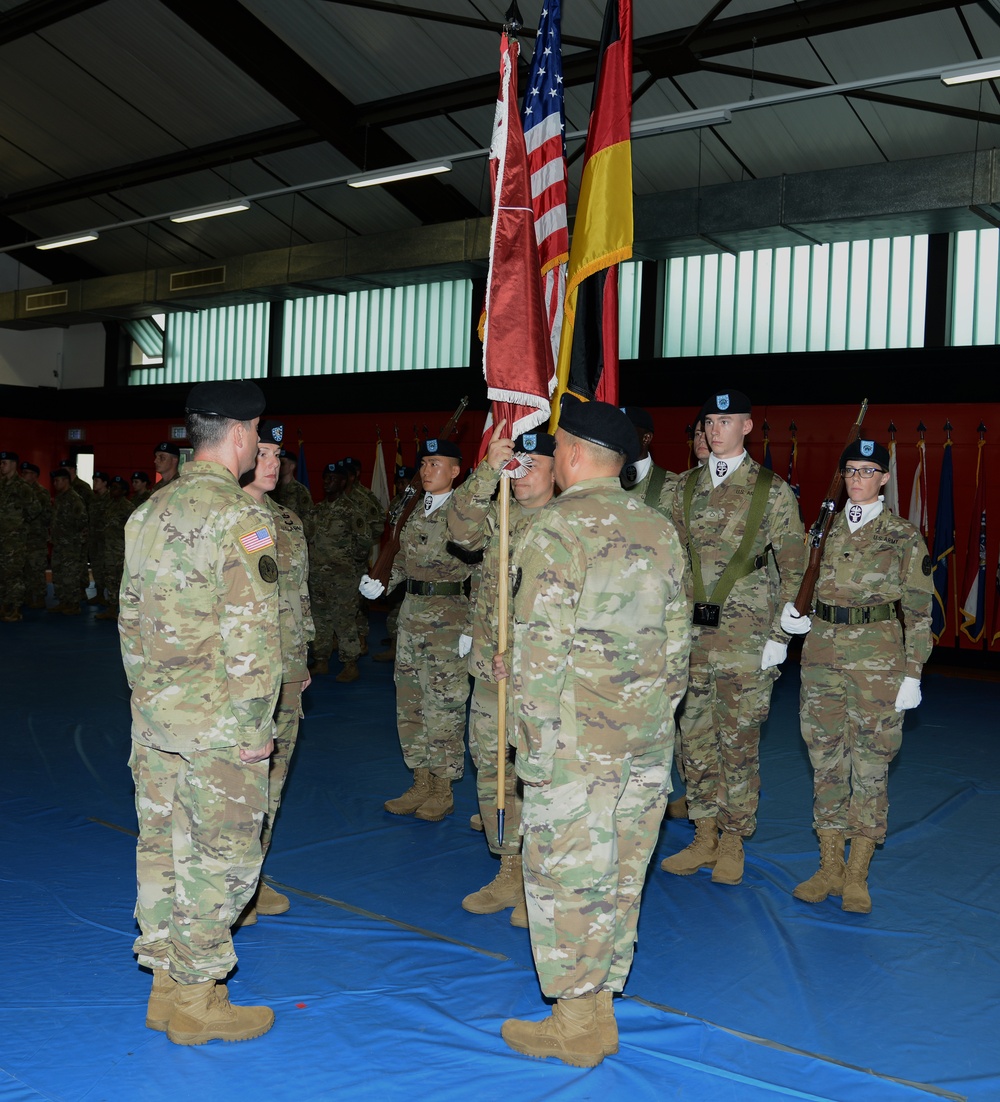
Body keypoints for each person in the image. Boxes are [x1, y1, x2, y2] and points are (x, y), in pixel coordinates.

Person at [498, 396, 691, 1067]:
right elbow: (677, 646)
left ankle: (576, 1022)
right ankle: (601, 1007)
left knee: (567, 876)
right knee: (621, 874)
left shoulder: (556, 529)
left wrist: (535, 744)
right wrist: (653, 720)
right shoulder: (659, 528)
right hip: (643, 740)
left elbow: (538, 650)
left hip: (574, 742)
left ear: (575, 453)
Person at [120, 380, 282, 1046]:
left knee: (161, 851)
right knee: (217, 859)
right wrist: (254, 730)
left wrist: (148, 702)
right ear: (241, 434)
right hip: (218, 726)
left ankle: (163, 986)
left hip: (155, 720)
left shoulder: (148, 512)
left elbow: (129, 619)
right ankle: (197, 1001)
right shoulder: (240, 519)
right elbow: (252, 635)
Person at [782, 438, 932, 913]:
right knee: (826, 760)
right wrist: (790, 618)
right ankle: (828, 866)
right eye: (850, 471)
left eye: (867, 472)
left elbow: (920, 611)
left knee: (870, 765)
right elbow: (797, 582)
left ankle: (857, 874)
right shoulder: (821, 531)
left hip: (879, 662)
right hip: (822, 654)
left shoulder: (903, 536)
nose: (857, 480)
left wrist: (914, 672)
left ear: (884, 478)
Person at [661, 390, 804, 886]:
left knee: (738, 744)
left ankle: (733, 841)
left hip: (746, 641)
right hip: (689, 638)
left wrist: (781, 636)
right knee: (694, 741)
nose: (715, 428)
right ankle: (702, 835)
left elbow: (794, 566)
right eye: (709, 421)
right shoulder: (681, 488)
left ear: (747, 426)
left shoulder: (772, 490)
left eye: (726, 420)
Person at [446, 425, 556, 926]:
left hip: (545, 680)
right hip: (492, 672)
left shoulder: (568, 522)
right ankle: (508, 866)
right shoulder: (498, 516)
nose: (523, 472)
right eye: (517, 463)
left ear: (559, 468)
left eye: (534, 464)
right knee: (492, 766)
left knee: (543, 772)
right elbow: (458, 529)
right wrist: (488, 472)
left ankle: (542, 877)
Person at [361, 437, 472, 823]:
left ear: (456, 471)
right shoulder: (410, 511)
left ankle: (443, 788)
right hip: (411, 618)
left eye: (436, 464)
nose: (426, 471)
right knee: (409, 702)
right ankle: (420, 780)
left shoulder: (467, 514)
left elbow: (488, 574)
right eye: (423, 464)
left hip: (449, 619)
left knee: (444, 705)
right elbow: (402, 562)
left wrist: (473, 626)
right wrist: (382, 583)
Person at [238, 419, 314, 924]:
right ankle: (232, 887)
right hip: (244, 674)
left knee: (272, 781)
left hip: (286, 670)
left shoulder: (286, 521)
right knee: (237, 784)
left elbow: (297, 598)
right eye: (262, 452)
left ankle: (253, 875)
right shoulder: (232, 518)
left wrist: (302, 660)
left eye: (277, 455)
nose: (272, 463)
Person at [308, 461, 371, 681]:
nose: (327, 482)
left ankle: (350, 664)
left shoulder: (351, 510)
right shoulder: (317, 510)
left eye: (332, 478)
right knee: (320, 620)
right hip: (317, 578)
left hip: (342, 578)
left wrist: (350, 565)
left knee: (344, 621)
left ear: (343, 482)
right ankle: (321, 660)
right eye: (325, 478)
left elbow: (364, 542)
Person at [372, 465, 415, 664]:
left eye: (404, 482)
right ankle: (395, 646)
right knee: (393, 606)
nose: (401, 486)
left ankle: (401, 648)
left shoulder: (418, 502)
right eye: (398, 483)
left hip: (412, 560)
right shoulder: (398, 502)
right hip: (395, 560)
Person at [0, 450, 41, 621]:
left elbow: (35, 510)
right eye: (1, 463)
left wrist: (18, 523)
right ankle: (3, 606)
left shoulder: (22, 487)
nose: (1, 466)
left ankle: (14, 608)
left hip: (14, 540)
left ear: (14, 464)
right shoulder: (1, 484)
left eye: (5, 463)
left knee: (13, 575)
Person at [619, 406, 677, 516]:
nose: (619, 438)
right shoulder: (604, 481)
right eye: (616, 432)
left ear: (646, 438)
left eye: (627, 432)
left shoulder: (674, 486)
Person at [94, 476, 134, 622]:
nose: (112, 490)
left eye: (116, 488)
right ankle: (111, 608)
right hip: (108, 549)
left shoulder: (128, 507)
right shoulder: (108, 505)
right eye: (111, 487)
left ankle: (125, 610)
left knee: (122, 580)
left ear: (123, 491)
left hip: (121, 550)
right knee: (110, 579)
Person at [48, 468, 87, 614]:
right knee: (58, 573)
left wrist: (71, 536)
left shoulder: (74, 498)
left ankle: (73, 604)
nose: (55, 483)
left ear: (65, 481)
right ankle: (64, 601)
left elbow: (82, 520)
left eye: (57, 480)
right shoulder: (60, 497)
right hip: (59, 543)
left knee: (70, 574)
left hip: (70, 544)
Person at [20, 462, 51, 609]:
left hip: (36, 537)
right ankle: (25, 596)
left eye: (27, 473)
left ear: (34, 476)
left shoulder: (41, 493)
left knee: (36, 568)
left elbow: (43, 515)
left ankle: (39, 597)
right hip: (22, 537)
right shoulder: (20, 491)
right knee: (23, 568)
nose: (24, 475)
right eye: (23, 472)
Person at [270, 447, 314, 529]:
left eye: (283, 463)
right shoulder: (272, 488)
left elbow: (308, 518)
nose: (279, 466)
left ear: (292, 466)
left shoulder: (300, 490)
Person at [88, 471, 110, 606]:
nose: (94, 483)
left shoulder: (110, 499)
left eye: (97, 481)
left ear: (105, 483)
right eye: (94, 480)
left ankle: (110, 596)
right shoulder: (94, 500)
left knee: (107, 569)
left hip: (107, 541)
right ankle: (100, 594)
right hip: (94, 540)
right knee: (96, 568)